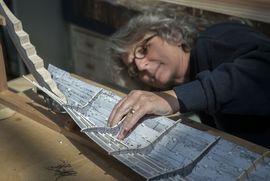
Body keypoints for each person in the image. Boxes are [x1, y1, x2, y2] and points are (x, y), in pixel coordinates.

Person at [107, 13, 270, 148]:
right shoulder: (191, 82)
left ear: (174, 34)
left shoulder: (216, 38)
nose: (141, 65)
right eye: (133, 69)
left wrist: (175, 98)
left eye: (143, 49)